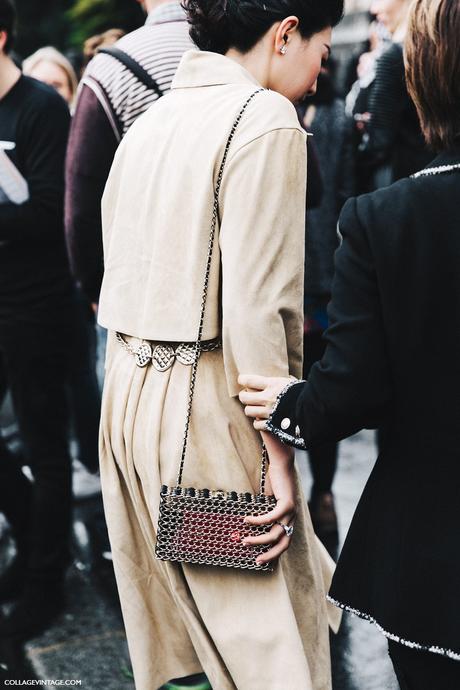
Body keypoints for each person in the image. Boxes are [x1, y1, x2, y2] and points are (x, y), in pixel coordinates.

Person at [97, 0, 344, 688]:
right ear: (286, 32)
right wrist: (280, 461)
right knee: (269, 654)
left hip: (127, 418)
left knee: (181, 647)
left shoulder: (151, 122)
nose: (322, 73)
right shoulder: (264, 120)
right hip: (208, 429)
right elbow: (259, 312)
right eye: (322, 49)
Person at [239, 0, 460, 687]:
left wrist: (289, 403)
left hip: (437, 547)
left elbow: (353, 392)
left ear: (426, 72)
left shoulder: (387, 220)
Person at [0, 0, 78, 637]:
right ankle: (32, 541)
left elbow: (52, 213)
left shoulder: (41, 109)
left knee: (46, 447)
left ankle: (46, 583)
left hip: (36, 305)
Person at [65, 0, 193, 310]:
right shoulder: (247, 55)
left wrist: (94, 285)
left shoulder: (112, 66)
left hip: (141, 287)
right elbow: (310, 185)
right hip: (229, 280)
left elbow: (82, 194)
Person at [298, 59, 354, 548]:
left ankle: (322, 491)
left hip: (323, 277)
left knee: (320, 386)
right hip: (289, 278)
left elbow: (344, 189)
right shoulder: (271, 110)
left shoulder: (333, 113)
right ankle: (297, 490)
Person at [358, 0, 432, 187]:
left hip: (398, 180)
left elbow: (379, 141)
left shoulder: (393, 56)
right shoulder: (434, 52)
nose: (374, 9)